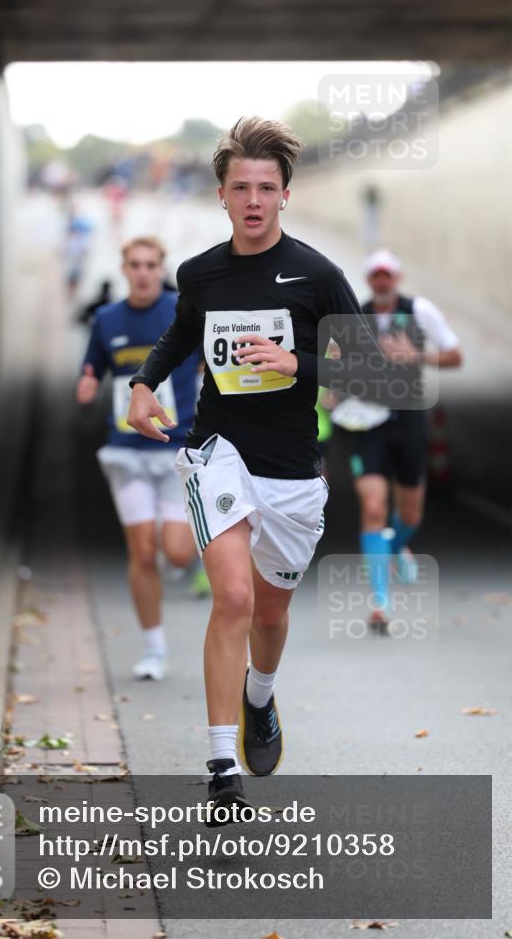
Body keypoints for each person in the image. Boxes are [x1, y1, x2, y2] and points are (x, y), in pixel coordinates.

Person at [126, 117, 398, 817]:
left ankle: (259, 695)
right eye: (240, 187)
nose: (253, 199)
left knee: (269, 614)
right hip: (219, 453)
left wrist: (296, 364)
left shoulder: (317, 276)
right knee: (235, 600)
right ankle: (221, 768)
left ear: (284, 195)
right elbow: (184, 330)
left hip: (292, 474)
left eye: (266, 188)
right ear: (220, 194)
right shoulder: (202, 273)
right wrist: (143, 383)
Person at [76, 236, 202, 680]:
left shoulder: (182, 310)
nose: (144, 272)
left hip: (175, 448)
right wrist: (86, 388)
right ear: (124, 268)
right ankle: (154, 648)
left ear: (161, 267)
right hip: (126, 451)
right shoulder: (107, 319)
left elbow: (212, 362)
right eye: (135, 264)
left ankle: (180, 561)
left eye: (151, 264)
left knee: (179, 553)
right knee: (143, 552)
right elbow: (90, 368)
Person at [332, 248, 462, 632]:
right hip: (367, 423)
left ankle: (396, 542)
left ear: (398, 278)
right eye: (376, 276)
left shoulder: (419, 311)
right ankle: (380, 602)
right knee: (372, 506)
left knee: (409, 515)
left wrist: (418, 354)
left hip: (408, 422)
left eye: (388, 275)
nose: (382, 281)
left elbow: (455, 356)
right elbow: (334, 362)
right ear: (369, 280)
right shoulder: (356, 315)